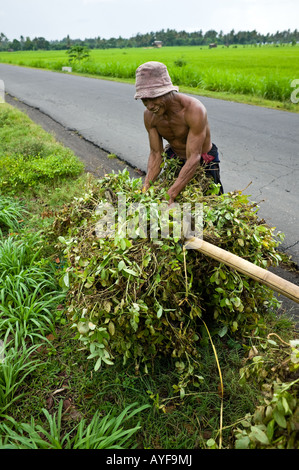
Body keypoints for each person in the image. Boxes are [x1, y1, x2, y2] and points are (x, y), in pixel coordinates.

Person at [134, 61, 223, 204]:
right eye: (144, 100)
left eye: (153, 98)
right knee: (174, 210)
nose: (150, 106)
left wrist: (171, 194)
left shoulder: (194, 110)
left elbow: (194, 157)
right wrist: (146, 188)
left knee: (210, 206)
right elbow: (156, 153)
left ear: (167, 91)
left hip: (202, 161)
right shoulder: (149, 116)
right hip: (176, 159)